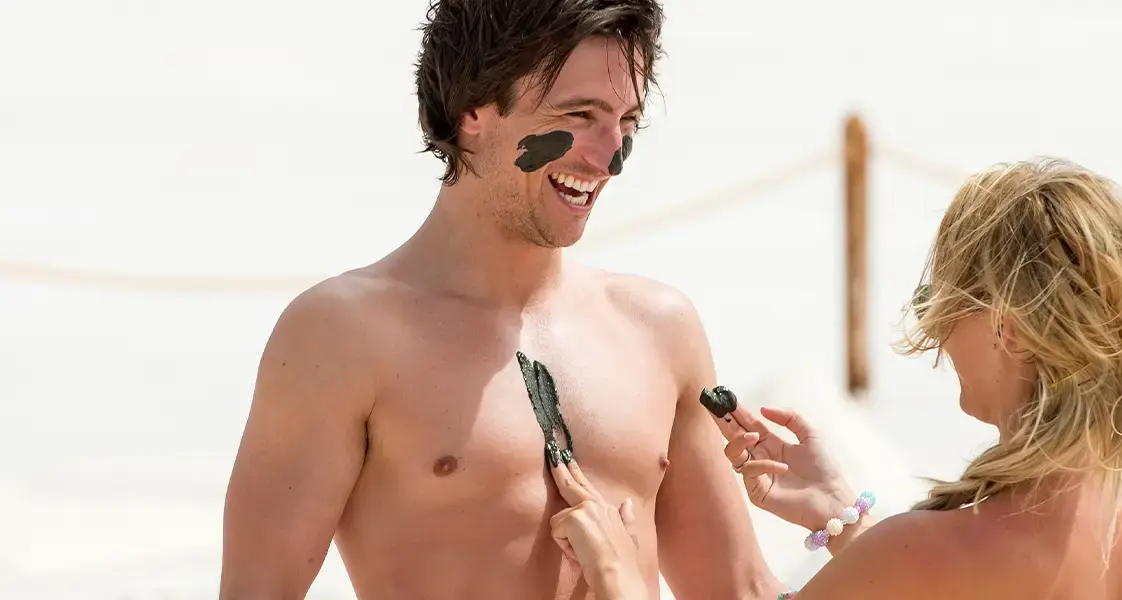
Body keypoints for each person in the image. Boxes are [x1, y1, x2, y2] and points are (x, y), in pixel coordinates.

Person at [218, 1, 786, 598]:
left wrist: (850, 522)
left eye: (627, 122)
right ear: (472, 110)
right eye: (579, 114)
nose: (609, 157)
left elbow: (740, 589)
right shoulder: (344, 336)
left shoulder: (658, 329)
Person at [549, 158, 1122, 599]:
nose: (939, 337)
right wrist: (840, 518)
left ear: (1007, 329)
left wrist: (617, 574)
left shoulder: (933, 549)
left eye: (949, 302)